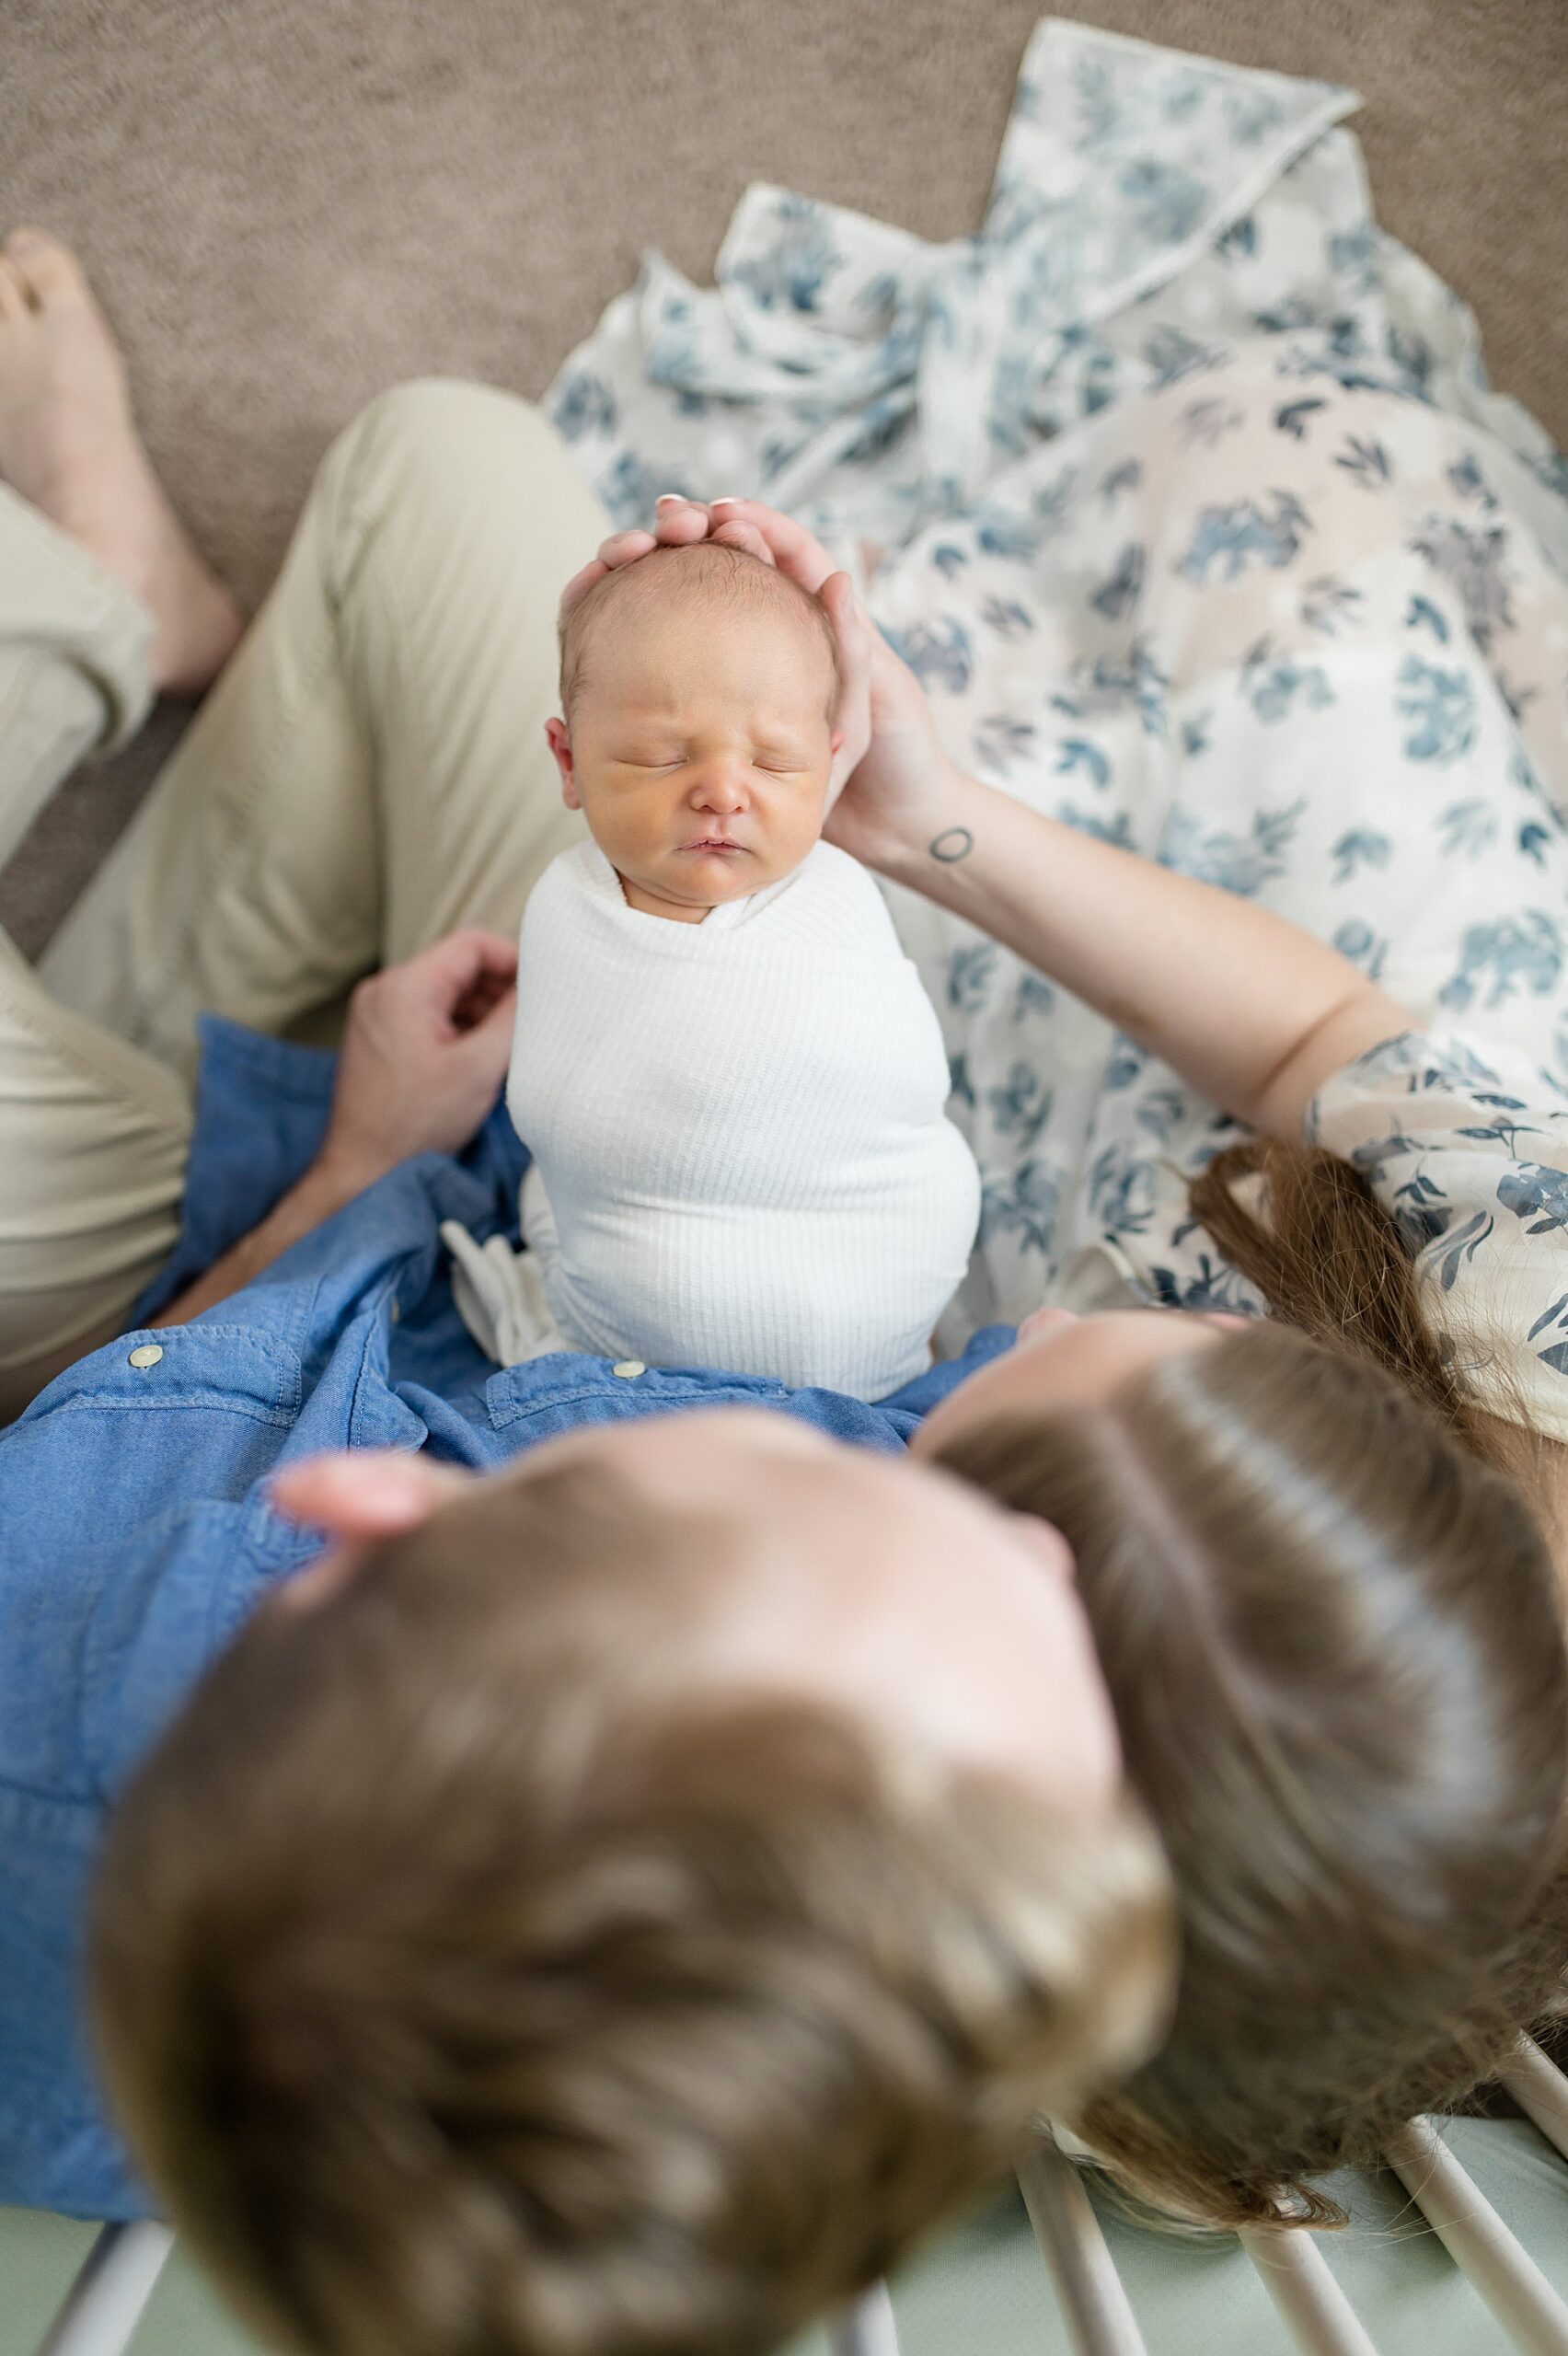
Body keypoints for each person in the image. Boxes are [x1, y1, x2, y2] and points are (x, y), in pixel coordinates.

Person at [0, 228, 1564, 2352]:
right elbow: (1320, 1068)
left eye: (926, 1434)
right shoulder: (933, 1779)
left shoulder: (158, 1704)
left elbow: (146, 1415)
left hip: (242, 1299)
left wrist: (355, 1168)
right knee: (442, 464)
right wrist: (911, 819)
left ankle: (84, 654)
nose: (927, 1376)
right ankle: (166, 662)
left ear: (392, 1538)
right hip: (498, 1160)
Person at [444, 537, 980, 1396]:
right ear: (569, 762)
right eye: (662, 755)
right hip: (648, 1309)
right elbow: (567, 1117)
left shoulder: (837, 895)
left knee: (541, 1199)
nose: (725, 792)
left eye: (776, 762)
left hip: (879, 1284)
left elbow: (899, 1083)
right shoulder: (567, 911)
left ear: (830, 761)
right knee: (563, 1195)